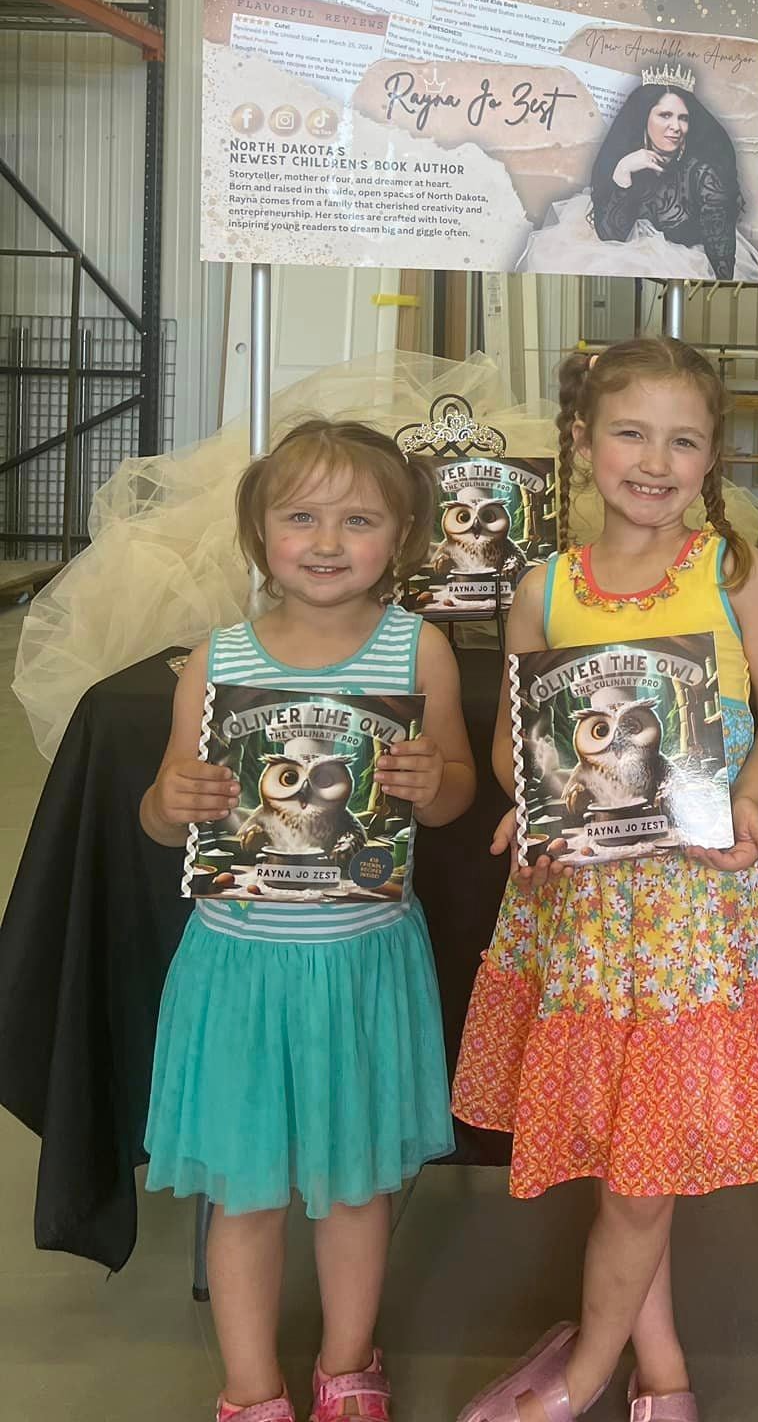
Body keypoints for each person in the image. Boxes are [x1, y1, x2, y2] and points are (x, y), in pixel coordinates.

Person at [451, 337, 758, 1422]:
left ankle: (584, 1373)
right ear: (582, 442)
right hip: (582, 917)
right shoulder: (543, 586)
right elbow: (518, 741)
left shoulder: (732, 574)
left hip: (696, 914)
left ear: (713, 458)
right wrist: (531, 787)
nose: (654, 460)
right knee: (625, 1154)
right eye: (630, 432)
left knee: (639, 1172)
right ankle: (661, 1373)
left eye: (684, 439)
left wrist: (751, 797)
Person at [140, 419, 477, 1422]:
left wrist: (431, 780)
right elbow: (159, 813)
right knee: (241, 1195)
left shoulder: (418, 648)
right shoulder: (217, 657)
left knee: (355, 1188)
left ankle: (348, 1366)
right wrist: (178, 800)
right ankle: (250, 1388)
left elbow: (456, 792)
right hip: (237, 966)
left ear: (402, 535)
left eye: (358, 519)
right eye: (301, 517)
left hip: (361, 961)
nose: (327, 541)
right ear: (259, 533)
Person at [518, 73, 757, 283]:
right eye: (665, 115)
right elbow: (611, 236)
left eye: (682, 118)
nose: (676, 126)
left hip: (686, 270)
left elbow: (721, 256)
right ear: (644, 118)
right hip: (625, 269)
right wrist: (623, 171)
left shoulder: (703, 173)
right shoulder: (628, 161)